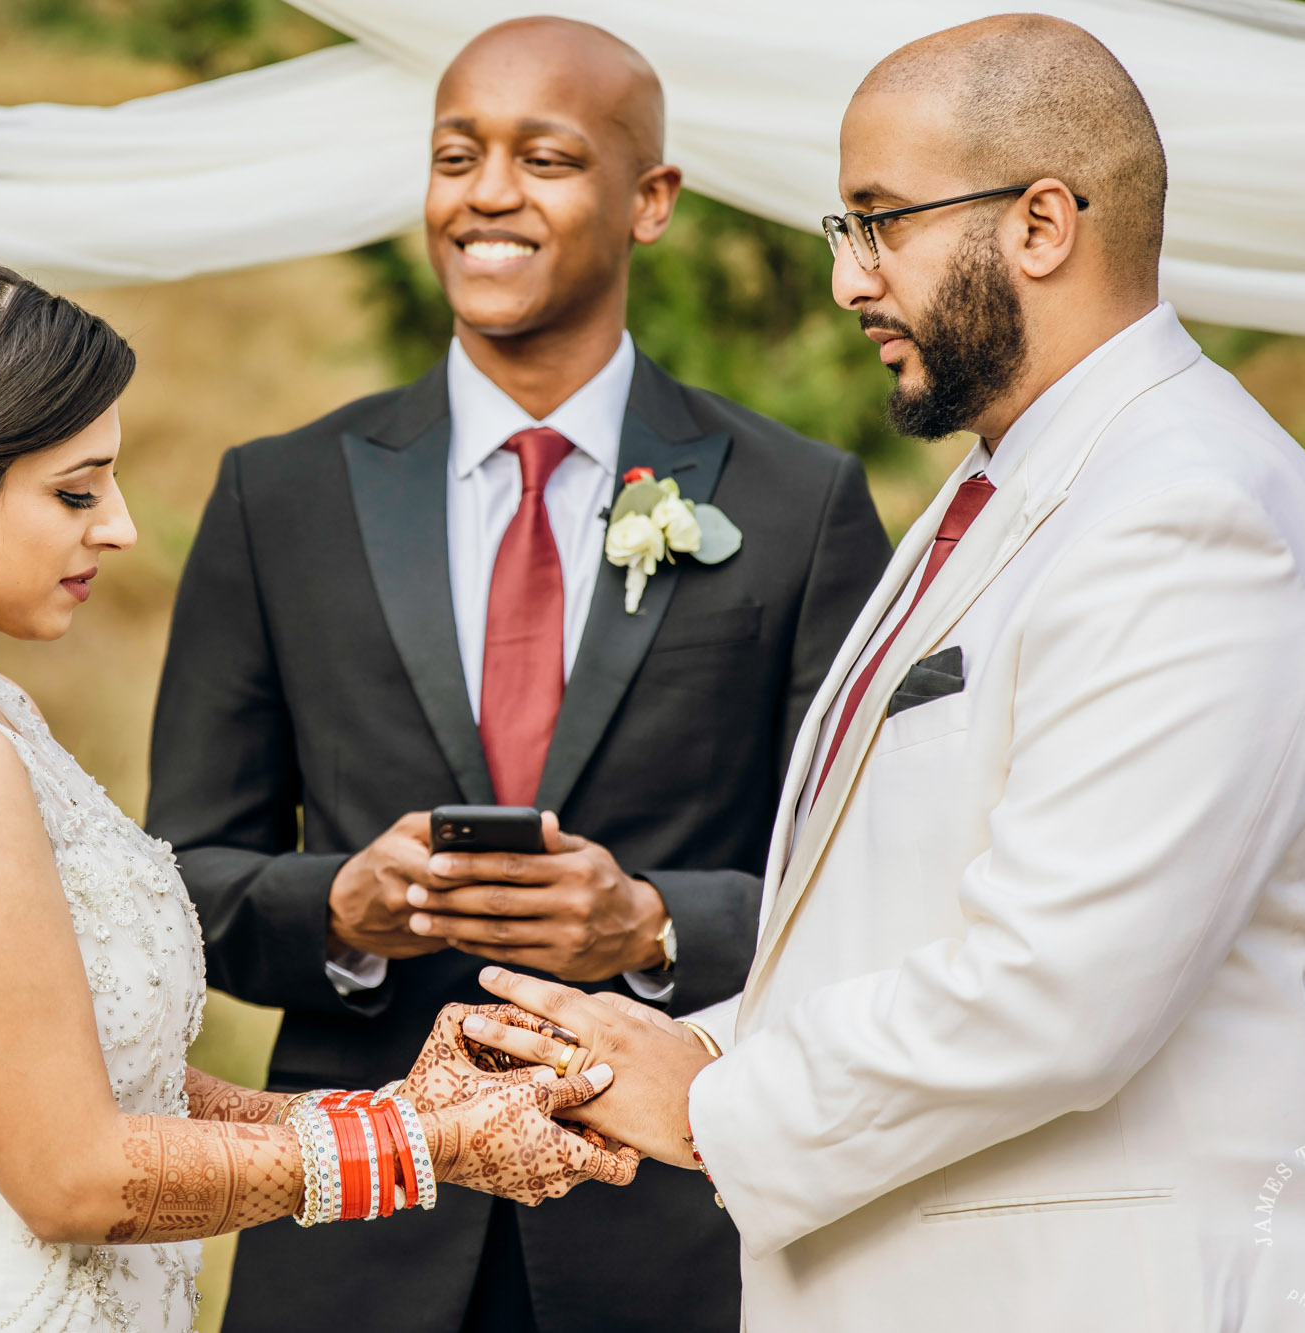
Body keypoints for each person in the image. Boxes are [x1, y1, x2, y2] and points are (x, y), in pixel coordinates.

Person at [463, 14, 1305, 1333]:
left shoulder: (1190, 508)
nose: (850, 281)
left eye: (882, 221)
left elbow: (1062, 984)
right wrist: (690, 1039)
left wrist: (705, 1106)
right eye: (844, 230)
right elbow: (895, 922)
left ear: (1042, 224)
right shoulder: (1000, 492)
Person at [0, 241, 635, 1333]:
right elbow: (71, 1176)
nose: (122, 526)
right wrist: (425, 1150)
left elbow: (98, 1081)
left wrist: (395, 1109)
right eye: (76, 490)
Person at [145, 17, 890, 1333]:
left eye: (544, 157)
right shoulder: (282, 496)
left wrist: (654, 926)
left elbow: (878, 880)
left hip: (673, 1240)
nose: (488, 193)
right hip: (357, 1230)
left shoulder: (795, 503)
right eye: (456, 154)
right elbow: (180, 888)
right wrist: (344, 913)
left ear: (649, 199)